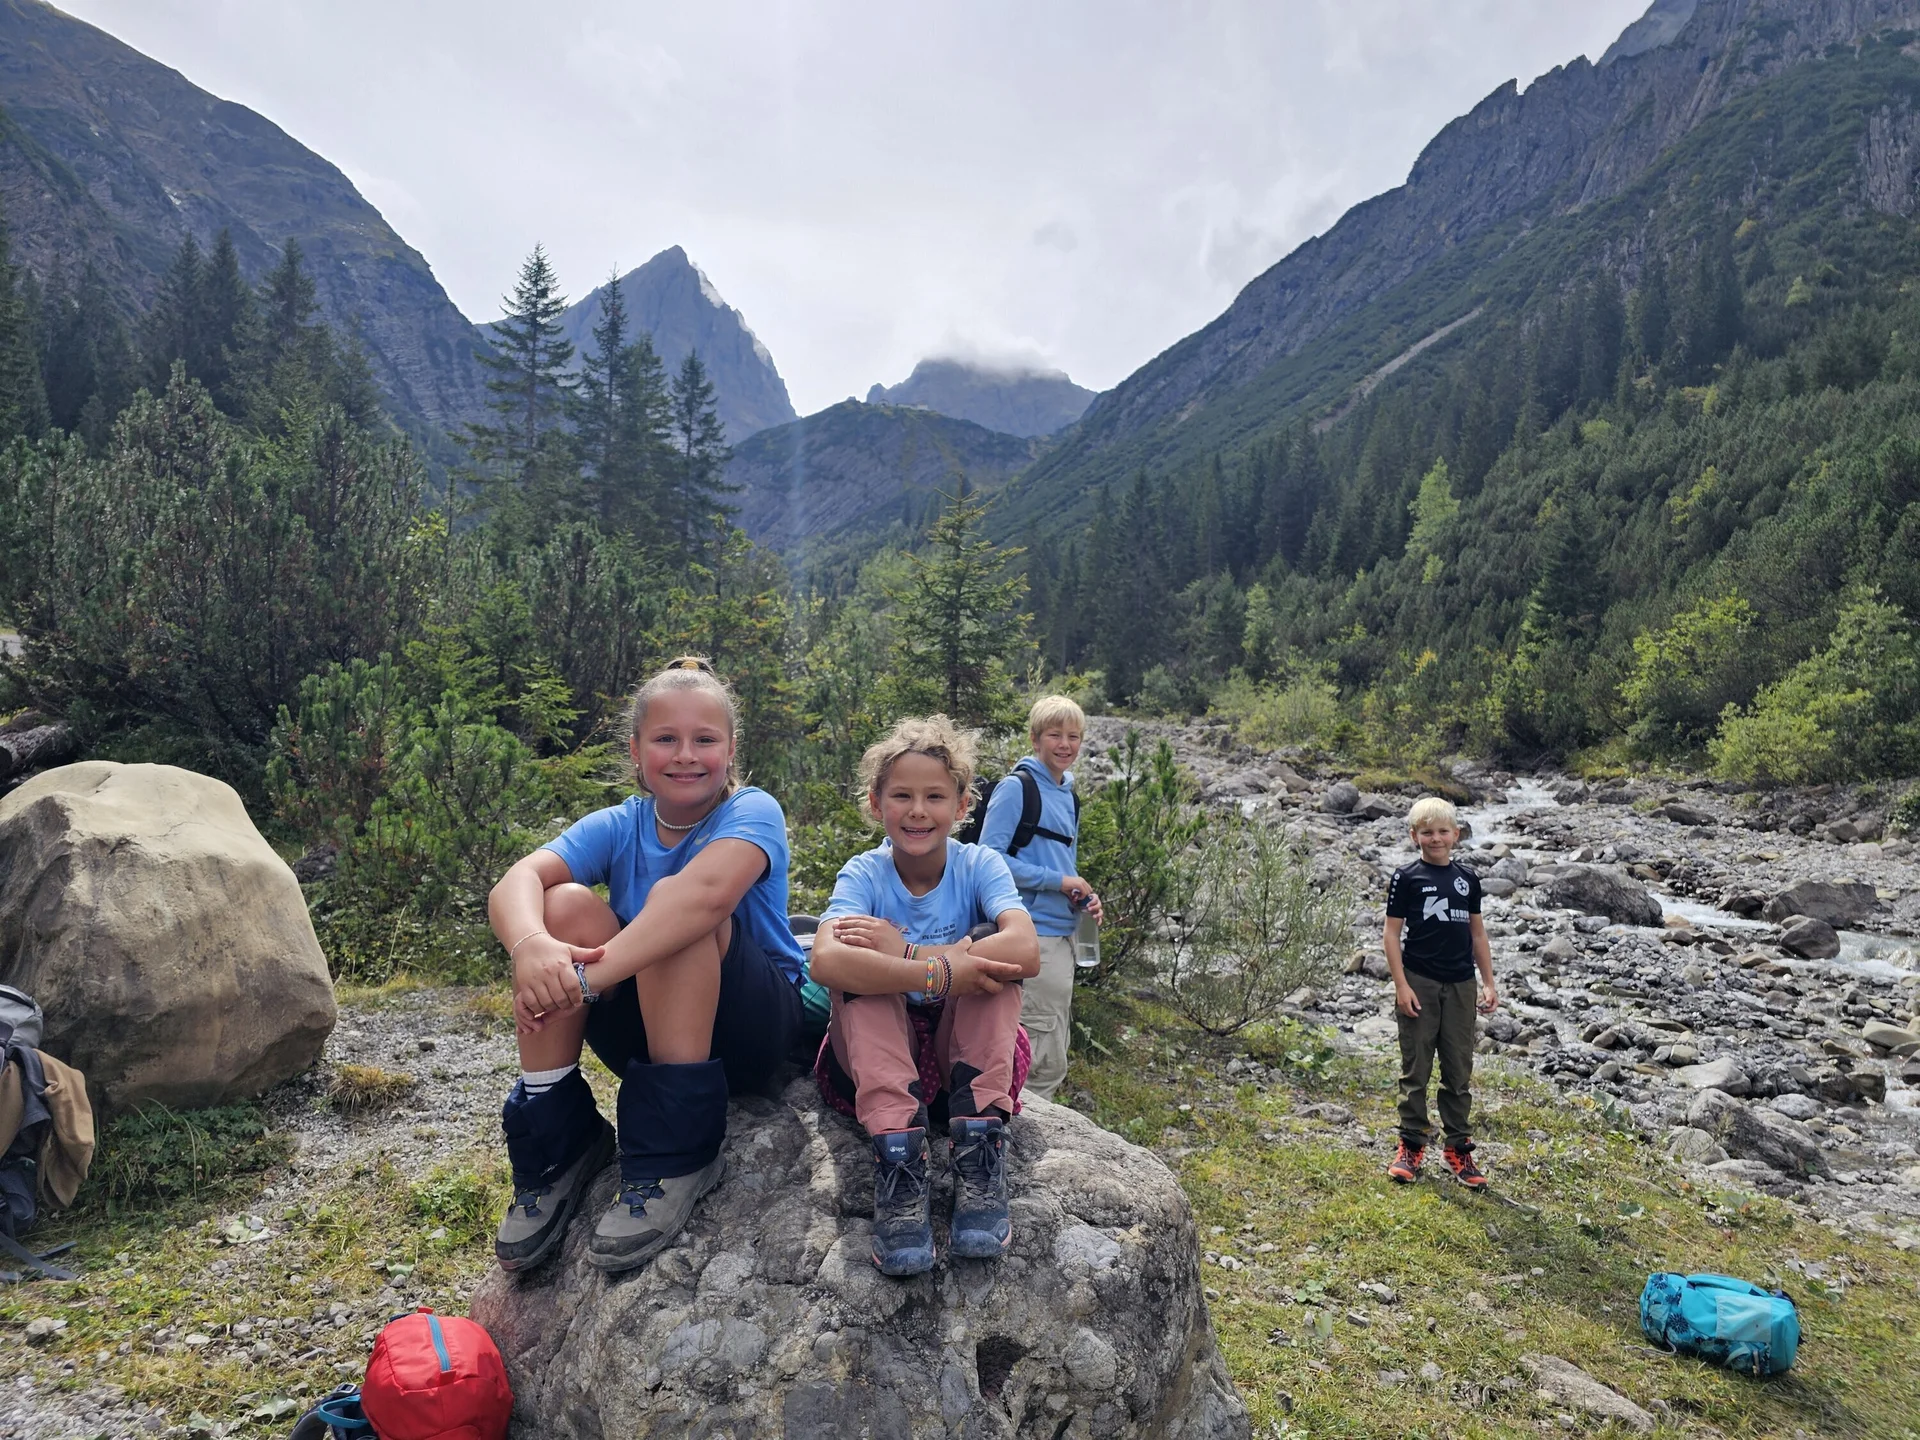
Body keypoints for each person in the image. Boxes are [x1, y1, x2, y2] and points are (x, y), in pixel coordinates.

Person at [485, 656, 805, 1274]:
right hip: (652, 1024)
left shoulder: (753, 811)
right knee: (564, 906)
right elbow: (516, 880)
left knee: (676, 911)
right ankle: (560, 1142)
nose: (686, 754)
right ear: (637, 750)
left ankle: (676, 1154)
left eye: (704, 740)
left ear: (730, 749)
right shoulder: (622, 823)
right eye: (666, 739)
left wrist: (579, 982)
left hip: (753, 1030)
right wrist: (531, 948)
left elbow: (708, 898)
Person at [808, 715, 1040, 1276]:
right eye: (902, 796)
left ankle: (981, 1153)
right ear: (876, 803)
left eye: (935, 796)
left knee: (993, 952)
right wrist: (936, 971)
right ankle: (898, 1161)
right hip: (874, 1072)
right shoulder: (864, 874)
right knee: (860, 975)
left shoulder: (977, 864)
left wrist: (909, 956)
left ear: (962, 806)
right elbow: (824, 961)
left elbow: (1027, 951)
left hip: (961, 1072)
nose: (917, 811)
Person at [978, 694, 1100, 1101]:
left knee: (1052, 1040)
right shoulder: (1018, 788)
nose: (1065, 744)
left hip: (1062, 931)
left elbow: (1064, 861)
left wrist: (1080, 895)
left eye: (1073, 736)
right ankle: (1020, 1130)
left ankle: (1029, 1126)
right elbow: (988, 858)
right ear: (1035, 740)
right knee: (1036, 1043)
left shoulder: (1069, 794)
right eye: (1054, 735)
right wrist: (1058, 881)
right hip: (1032, 932)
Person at [1382, 796, 1497, 1189]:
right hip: (1420, 981)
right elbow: (1391, 934)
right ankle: (1411, 1145)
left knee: (1458, 1069)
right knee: (1416, 1068)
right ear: (1415, 836)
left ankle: (1458, 1149)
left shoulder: (1468, 879)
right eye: (1427, 832)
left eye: (1443, 831)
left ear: (1456, 835)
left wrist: (1489, 981)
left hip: (1462, 984)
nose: (1436, 838)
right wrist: (1401, 985)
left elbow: (1477, 933)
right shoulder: (1406, 877)